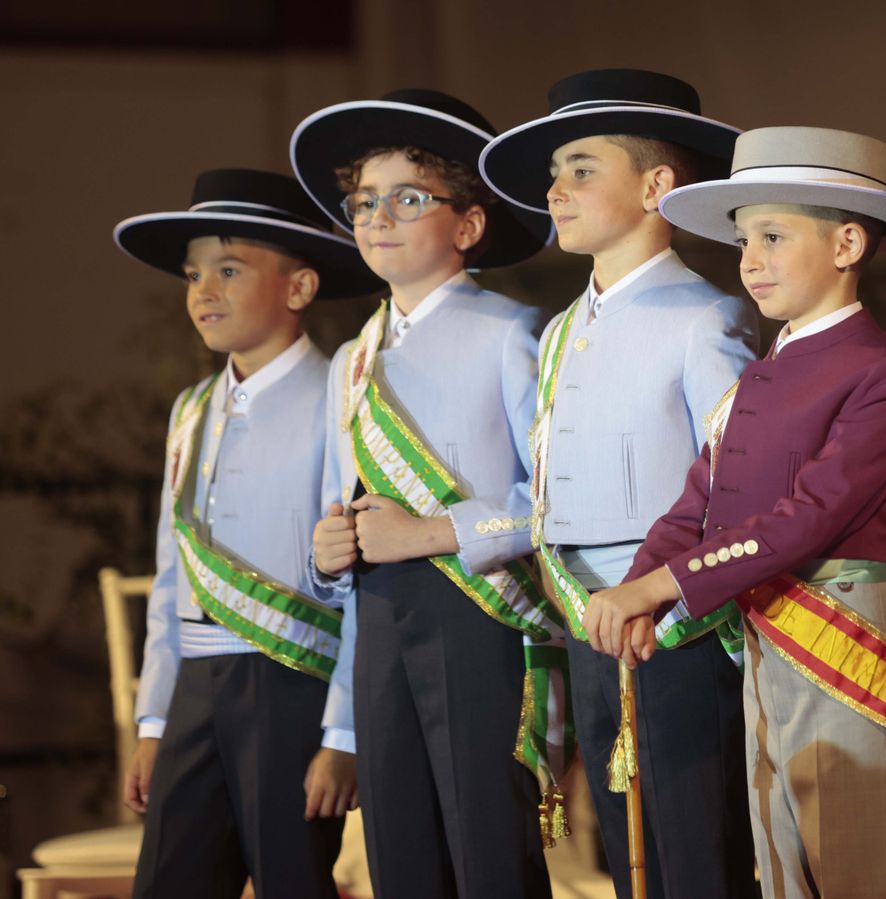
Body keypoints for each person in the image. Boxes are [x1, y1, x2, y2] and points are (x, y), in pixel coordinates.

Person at [582, 125, 886, 898]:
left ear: (848, 243)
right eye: (743, 240)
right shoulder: (758, 375)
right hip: (764, 636)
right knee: (780, 859)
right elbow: (697, 503)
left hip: (837, 626)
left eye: (773, 236)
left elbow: (806, 518)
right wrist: (635, 589)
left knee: (849, 863)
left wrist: (660, 587)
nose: (749, 259)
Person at [478, 68, 760, 899]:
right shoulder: (562, 330)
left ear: (655, 185)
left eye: (581, 168)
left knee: (696, 854)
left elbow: (735, 488)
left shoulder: (705, 316)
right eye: (554, 172)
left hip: (676, 627)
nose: (555, 191)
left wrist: (665, 591)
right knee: (624, 852)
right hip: (586, 618)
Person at [293, 88, 562, 898]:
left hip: (480, 618)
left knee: (491, 849)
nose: (378, 217)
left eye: (408, 198)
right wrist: (326, 553)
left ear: (468, 225)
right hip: (379, 622)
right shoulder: (350, 360)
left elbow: (554, 495)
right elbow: (342, 515)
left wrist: (433, 532)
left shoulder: (514, 332)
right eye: (363, 201)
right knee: (399, 852)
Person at [113, 167, 382, 898]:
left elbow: (362, 583)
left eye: (229, 269)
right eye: (193, 273)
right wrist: (154, 720)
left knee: (294, 879)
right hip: (195, 690)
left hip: (291, 684)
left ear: (299, 286)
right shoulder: (191, 410)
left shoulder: (341, 399)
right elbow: (171, 575)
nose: (204, 290)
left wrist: (342, 733)